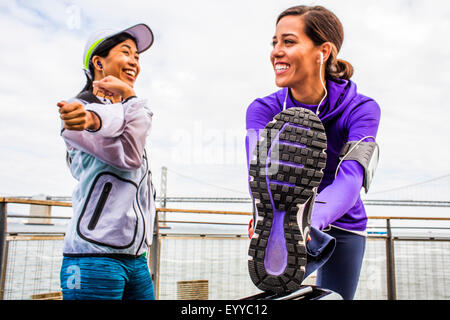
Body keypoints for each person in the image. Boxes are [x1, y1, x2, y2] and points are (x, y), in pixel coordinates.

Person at [246, 5, 380, 300]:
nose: (276, 51)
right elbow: (258, 171)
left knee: (337, 298)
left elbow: (351, 178)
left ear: (324, 51)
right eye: (275, 42)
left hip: (344, 225)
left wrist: (307, 219)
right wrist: (263, 214)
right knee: (277, 295)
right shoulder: (262, 110)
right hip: (280, 221)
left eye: (289, 41)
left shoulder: (361, 109)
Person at [57, 24, 157, 300]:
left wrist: (127, 101)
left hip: (136, 258)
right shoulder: (78, 109)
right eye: (126, 52)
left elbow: (118, 120)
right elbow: (130, 154)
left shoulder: (126, 109)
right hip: (93, 257)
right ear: (99, 62)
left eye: (137, 56)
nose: (135, 62)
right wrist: (91, 120)